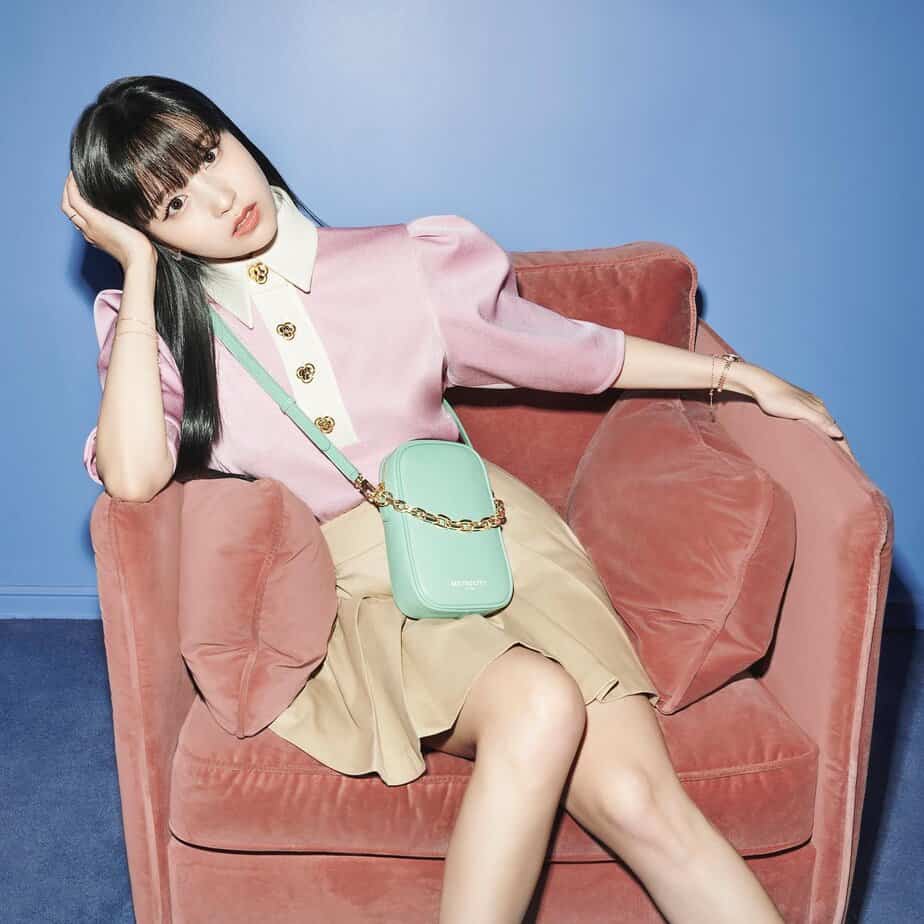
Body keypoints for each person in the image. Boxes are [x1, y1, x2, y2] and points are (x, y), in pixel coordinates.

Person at [65, 75, 849, 924]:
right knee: (537, 704)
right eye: (174, 203)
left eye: (210, 154)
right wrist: (139, 271)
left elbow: (570, 353)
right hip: (353, 594)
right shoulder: (160, 331)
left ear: (234, 135)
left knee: (638, 799)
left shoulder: (406, 262)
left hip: (495, 540)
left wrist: (736, 376)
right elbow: (134, 475)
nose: (221, 198)